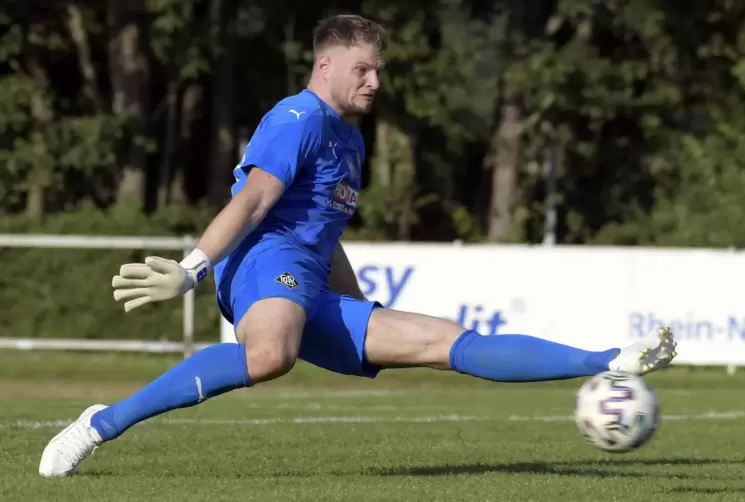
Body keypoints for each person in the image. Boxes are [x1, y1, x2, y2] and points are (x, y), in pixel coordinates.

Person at [39, 14, 677, 477]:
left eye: (379, 70)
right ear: (326, 66)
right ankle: (101, 423)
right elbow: (256, 201)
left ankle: (611, 357)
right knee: (268, 355)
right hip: (263, 261)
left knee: (447, 342)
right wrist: (190, 272)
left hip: (305, 276)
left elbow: (326, 238)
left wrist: (361, 312)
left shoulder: (350, 141)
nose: (374, 81)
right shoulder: (299, 117)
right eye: (363, 69)